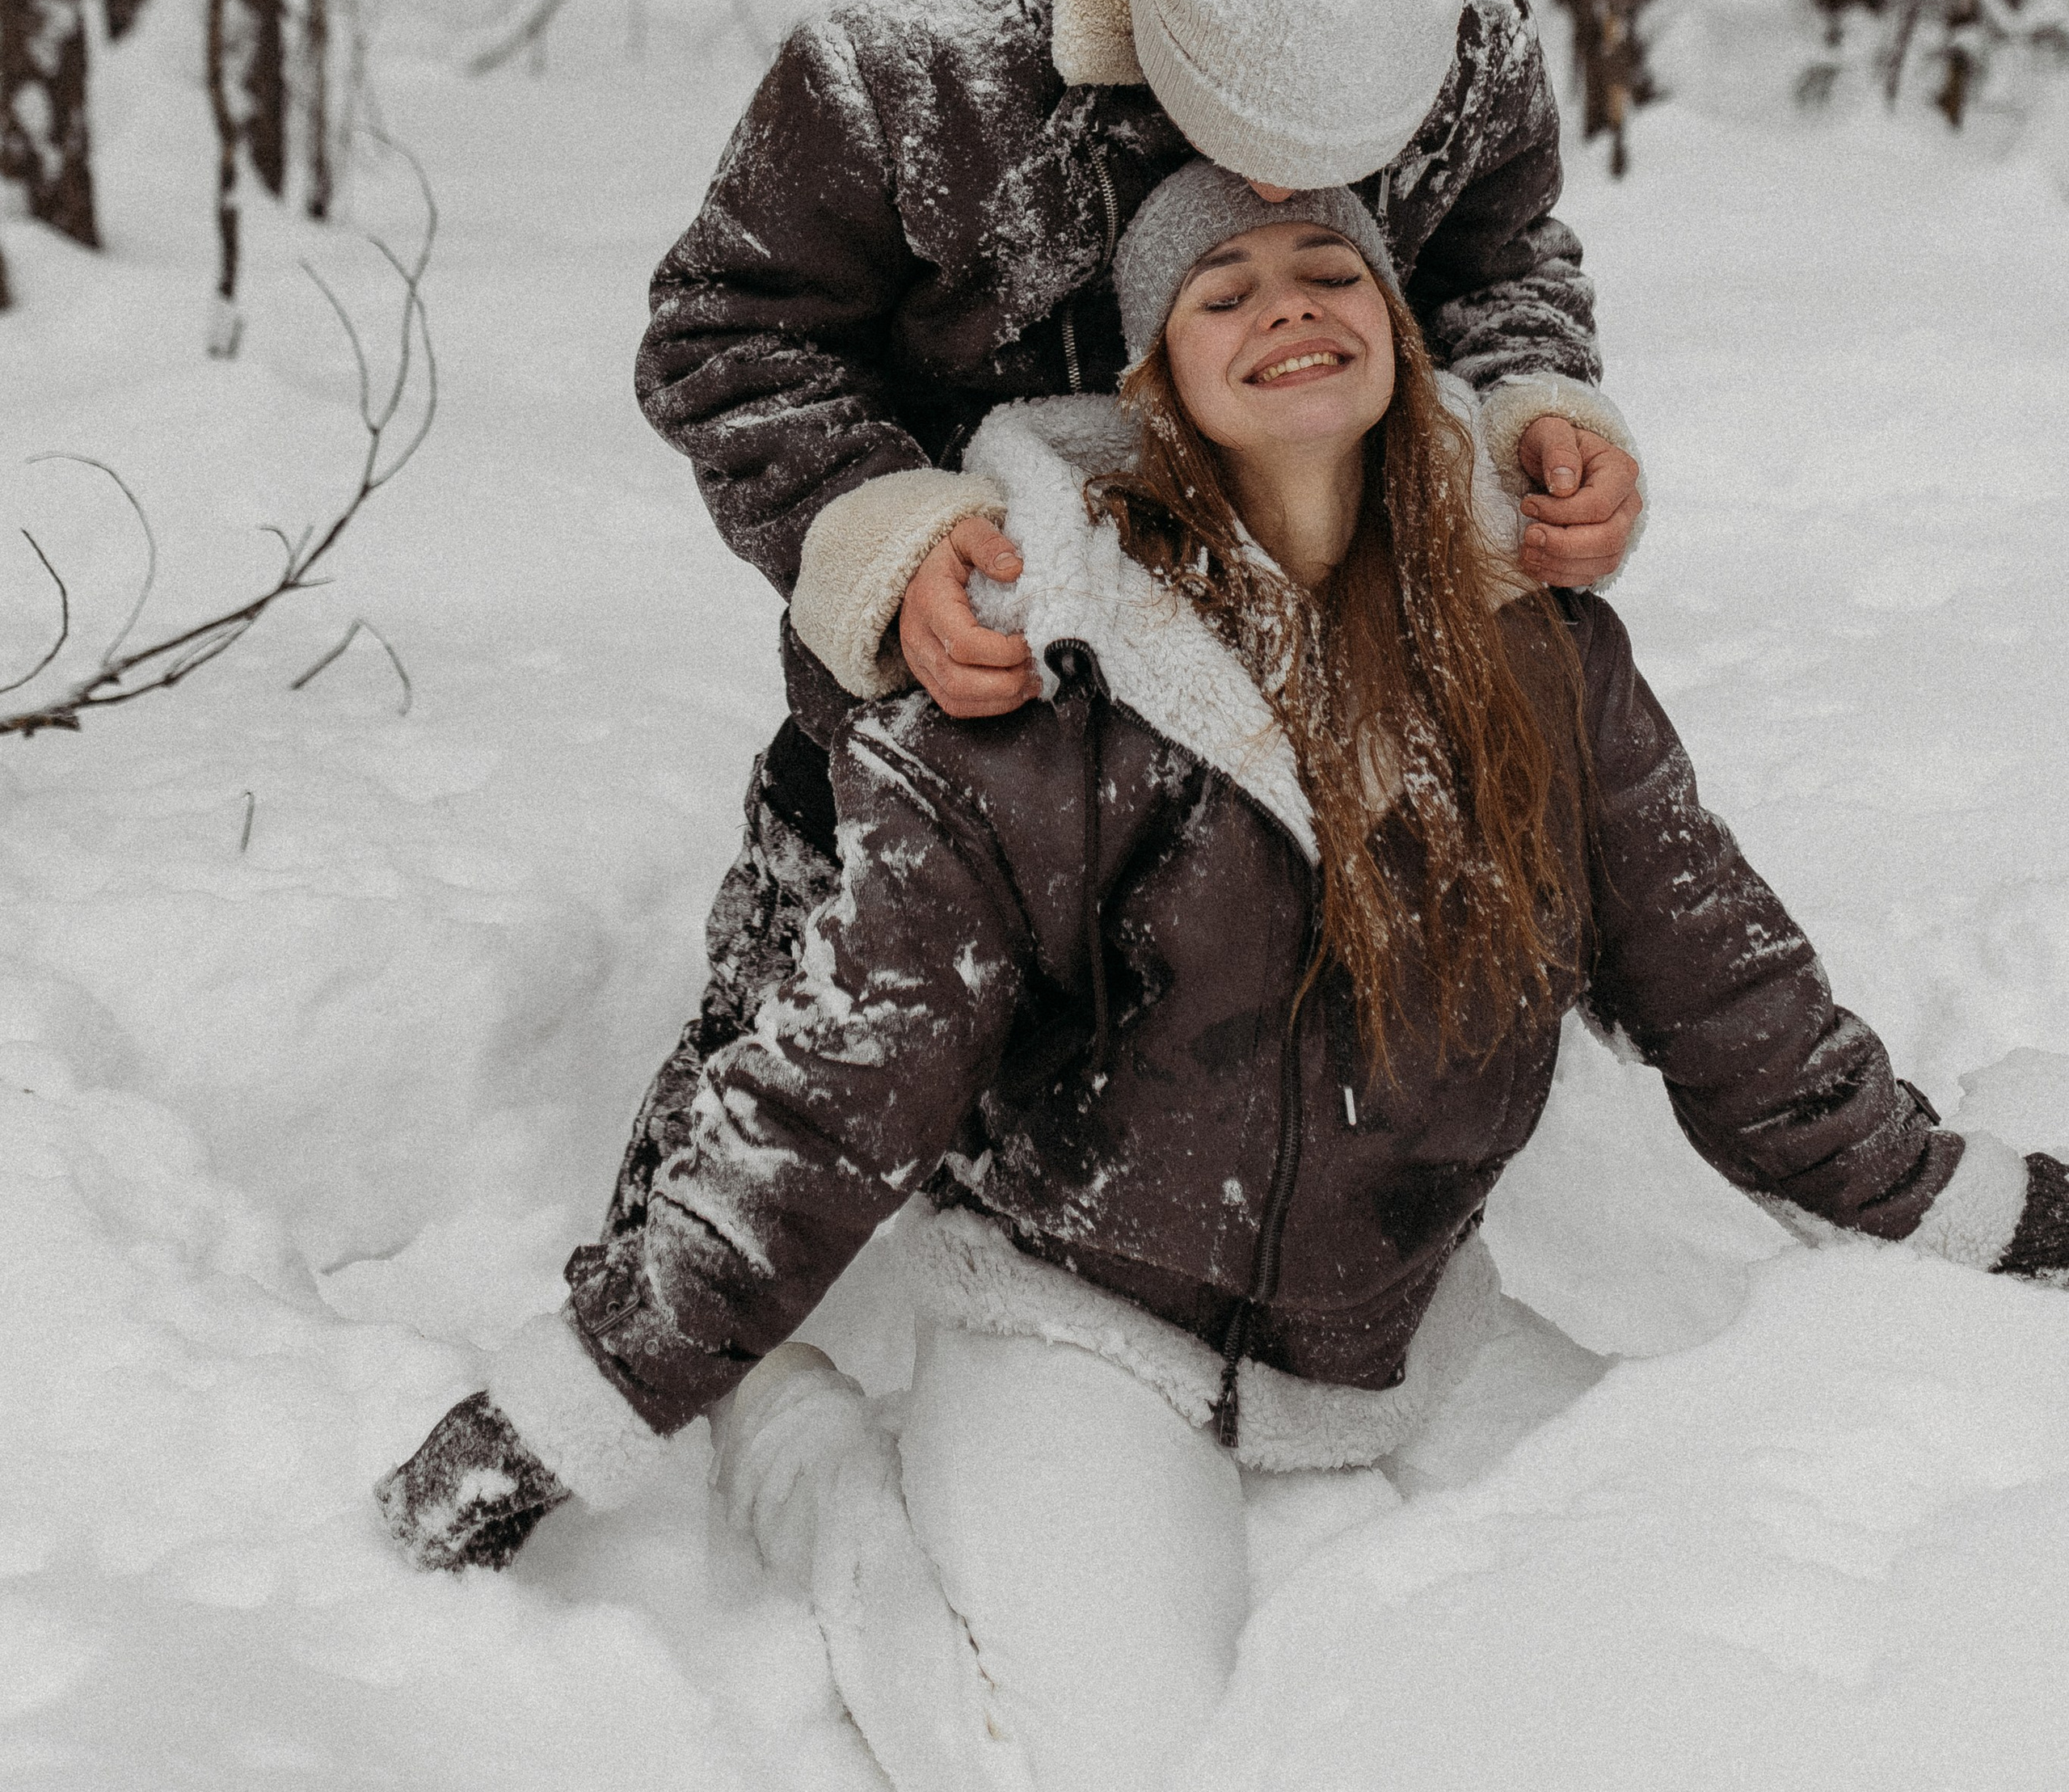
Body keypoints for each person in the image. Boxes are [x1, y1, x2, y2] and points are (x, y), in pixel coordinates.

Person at [379, 166, 2069, 1792]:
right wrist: (569, 1410)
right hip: (1084, 1317)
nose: (1288, 309)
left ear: (1400, 335)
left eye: (1330, 273)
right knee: (1074, 1769)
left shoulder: (1539, 654)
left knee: (1689, 1636)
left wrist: (1984, 1210)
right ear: (1155, 378)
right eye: (1222, 288)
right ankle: (801, 1451)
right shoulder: (1028, 686)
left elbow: (1732, 1005)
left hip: (1414, 1324)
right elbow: (833, 1099)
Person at [638, 0, 1644, 1056]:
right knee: (803, 1070)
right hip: (967, 692)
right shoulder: (913, 53)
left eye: (1342, 166)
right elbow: (725, 331)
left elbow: (1500, 253)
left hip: (1294, 694)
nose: (1287, 190)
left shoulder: (1443, 11)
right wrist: (879, 537)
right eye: (1254, 134)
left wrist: (1531, 404)